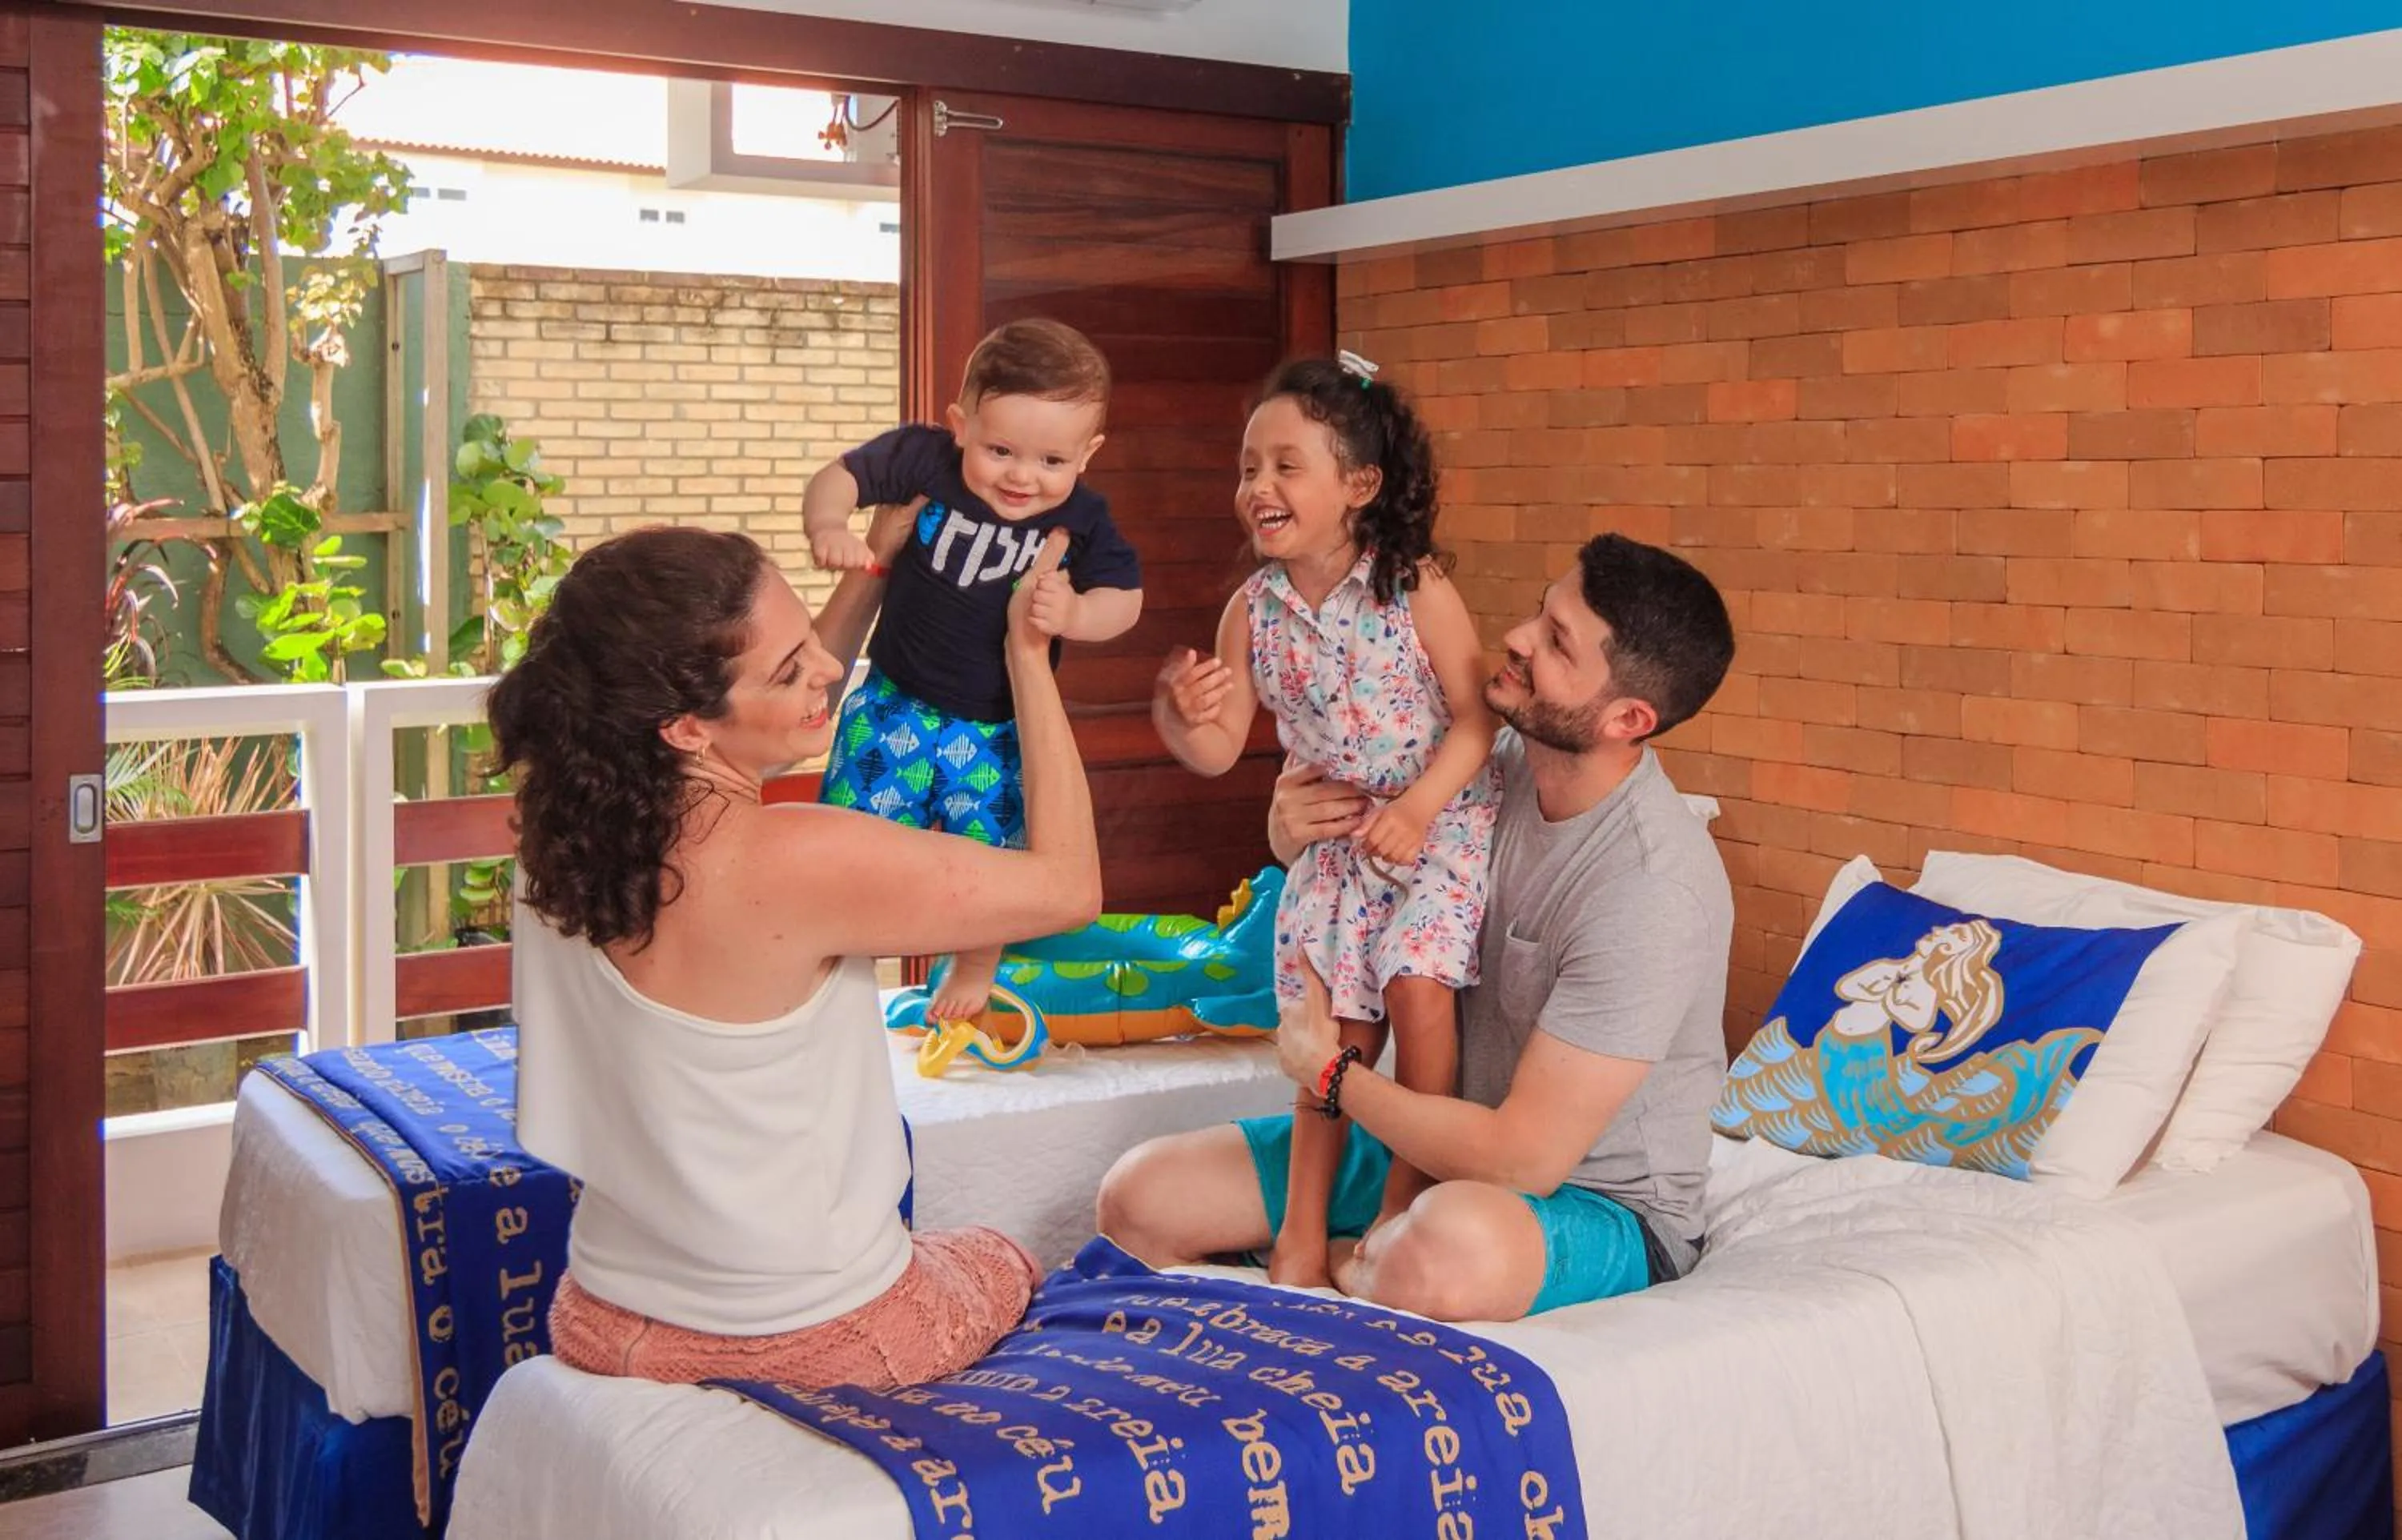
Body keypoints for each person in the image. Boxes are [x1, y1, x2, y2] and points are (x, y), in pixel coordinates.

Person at [490, 512, 1101, 1390]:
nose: (826, 670)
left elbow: (789, 691)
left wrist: (872, 571)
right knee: (1009, 1254)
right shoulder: (788, 858)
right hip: (810, 1333)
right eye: (790, 668)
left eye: (810, 638)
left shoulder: (558, 845)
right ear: (687, 728)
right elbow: (1071, 885)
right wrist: (1028, 662)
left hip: (601, 1313)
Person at [1101, 532, 1737, 1323]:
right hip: (1434, 1146)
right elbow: (1334, 853)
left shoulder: (1652, 888)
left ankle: (1329, 1271)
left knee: (1449, 1250)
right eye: (1542, 612)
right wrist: (1288, 827)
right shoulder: (1473, 766)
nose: (1518, 637)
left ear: (1627, 717)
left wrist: (1333, 1076)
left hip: (1592, 1202)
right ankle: (1352, 1264)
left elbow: (1524, 1159)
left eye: (1556, 642)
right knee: (1141, 1195)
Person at [1151, 353, 1500, 1289]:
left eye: (1284, 465)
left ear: (1359, 485)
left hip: (1436, 829)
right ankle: (1300, 1235)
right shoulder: (1249, 612)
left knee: (1418, 990)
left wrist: (1421, 808)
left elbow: (1476, 718)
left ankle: (1401, 1202)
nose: (1257, 486)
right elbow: (1220, 748)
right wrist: (1178, 713)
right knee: (1327, 1030)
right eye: (1248, 467)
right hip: (1339, 843)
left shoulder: (1410, 583)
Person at [801, 318, 1143, 1026]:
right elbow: (838, 477)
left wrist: (1076, 615)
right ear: (960, 425)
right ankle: (842, 964)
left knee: (990, 841)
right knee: (857, 846)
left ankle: (978, 959)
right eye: (1000, 451)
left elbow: (1127, 599)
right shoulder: (923, 460)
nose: (1023, 477)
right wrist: (829, 527)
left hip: (995, 726)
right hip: (896, 702)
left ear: (1089, 453)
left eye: (1052, 461)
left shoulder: (1081, 517)